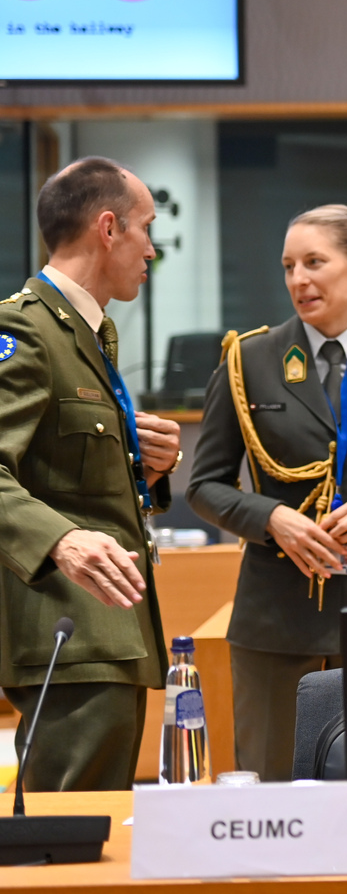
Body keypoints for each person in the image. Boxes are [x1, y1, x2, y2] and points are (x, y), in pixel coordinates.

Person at [187, 204, 347, 781]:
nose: (298, 280)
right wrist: (272, 517)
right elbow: (205, 486)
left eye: (314, 262)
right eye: (288, 266)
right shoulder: (248, 361)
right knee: (273, 788)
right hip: (277, 615)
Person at [0, 157, 182, 790]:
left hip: (110, 628)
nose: (151, 249)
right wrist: (60, 539)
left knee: (99, 838)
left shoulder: (86, 330)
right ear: (109, 228)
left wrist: (146, 463)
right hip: (67, 628)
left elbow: (75, 473)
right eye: (145, 228)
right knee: (64, 843)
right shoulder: (24, 328)